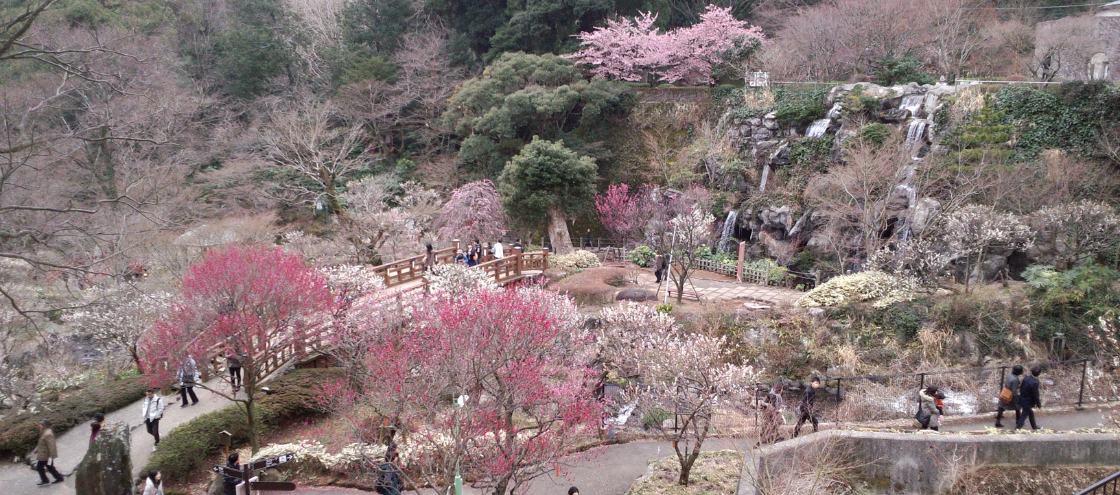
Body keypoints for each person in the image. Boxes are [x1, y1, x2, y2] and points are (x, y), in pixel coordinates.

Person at [34, 419, 64, 485]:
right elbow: (41, 443)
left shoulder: (48, 434)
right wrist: (36, 451)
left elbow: (51, 446)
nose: (40, 425)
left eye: (41, 424)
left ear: (45, 426)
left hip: (45, 454)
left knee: (40, 467)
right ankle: (58, 478)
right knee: (49, 467)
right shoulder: (43, 432)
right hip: (43, 453)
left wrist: (52, 456)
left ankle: (46, 480)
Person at [1016, 365, 1043, 430]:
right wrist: (1039, 405)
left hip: (1022, 399)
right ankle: (1017, 428)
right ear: (1039, 374)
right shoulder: (1035, 382)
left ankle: (1034, 427)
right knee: (1024, 415)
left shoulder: (1026, 378)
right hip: (1028, 402)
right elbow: (1036, 395)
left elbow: (1021, 387)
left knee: (1030, 413)